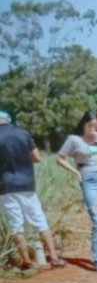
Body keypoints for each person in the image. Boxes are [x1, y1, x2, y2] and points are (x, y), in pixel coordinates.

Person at [0, 109, 66, 270]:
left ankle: (26, 262)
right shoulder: (23, 133)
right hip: (26, 184)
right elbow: (37, 157)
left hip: (5, 186)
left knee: (16, 224)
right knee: (39, 220)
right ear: (8, 119)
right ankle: (54, 257)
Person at [56, 110, 97, 272]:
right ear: (83, 125)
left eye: (96, 126)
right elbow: (59, 158)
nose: (93, 129)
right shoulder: (74, 140)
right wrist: (76, 172)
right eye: (90, 125)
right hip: (90, 180)